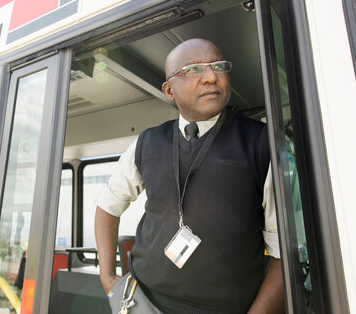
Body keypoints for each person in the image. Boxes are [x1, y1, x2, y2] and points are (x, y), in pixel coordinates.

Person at [94, 38, 284, 313]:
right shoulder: (148, 142)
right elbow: (107, 206)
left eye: (218, 66)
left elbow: (282, 253)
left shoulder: (261, 143)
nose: (210, 77)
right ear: (169, 90)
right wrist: (108, 278)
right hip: (143, 301)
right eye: (193, 70)